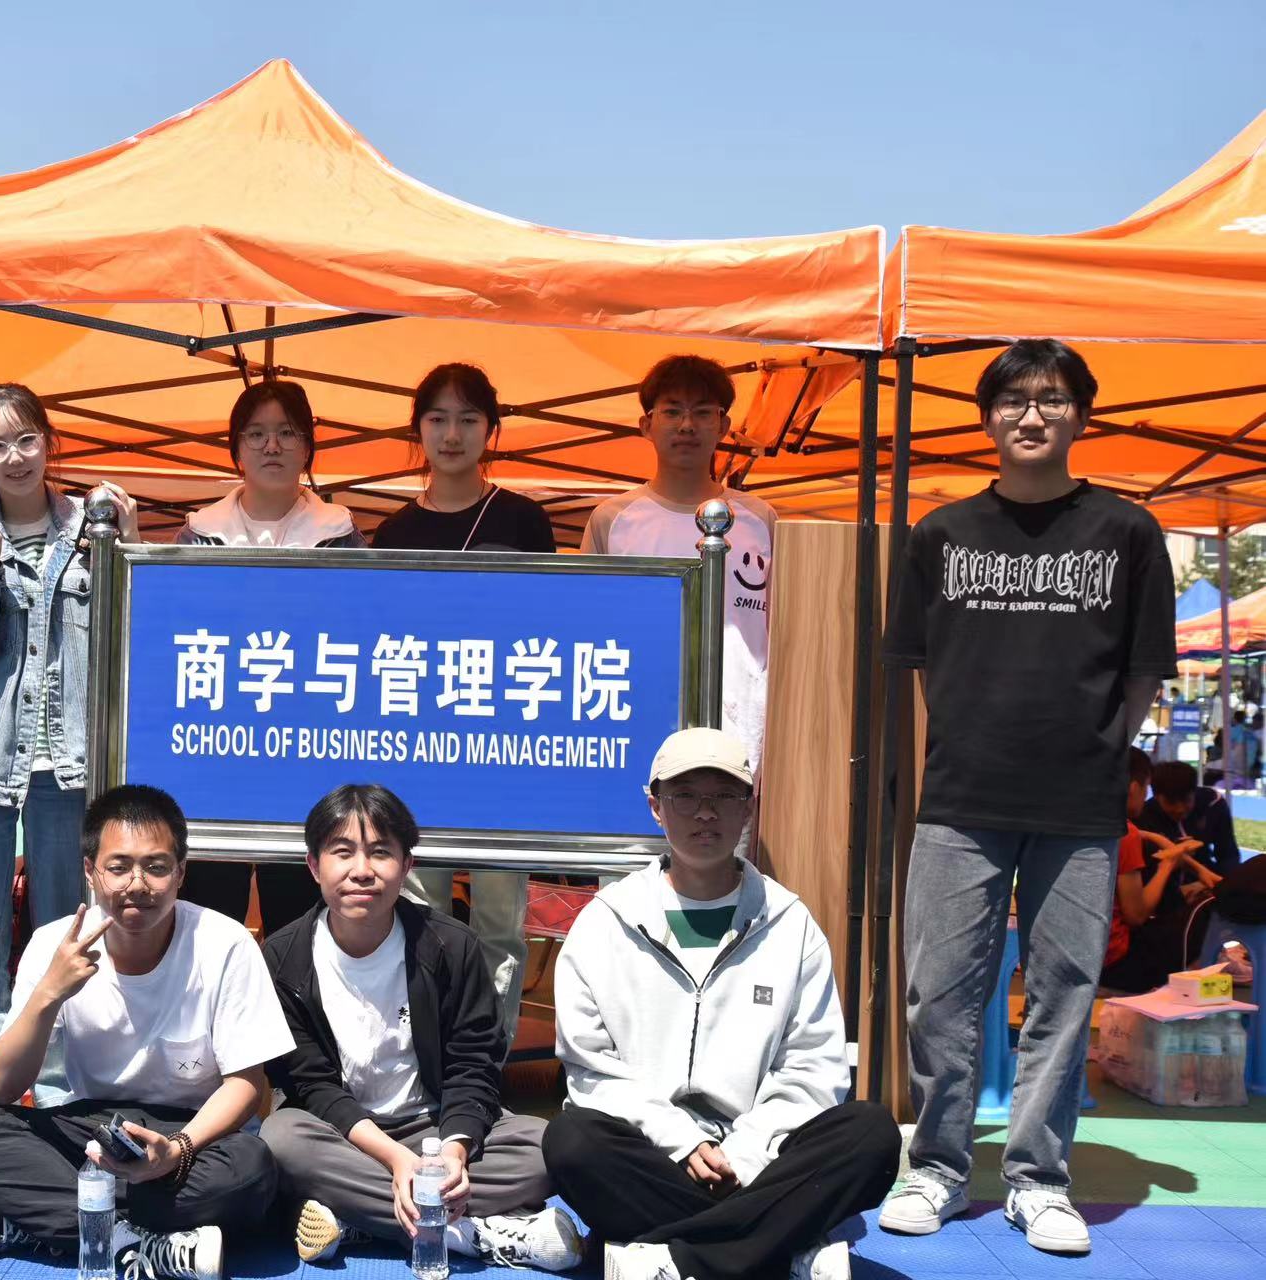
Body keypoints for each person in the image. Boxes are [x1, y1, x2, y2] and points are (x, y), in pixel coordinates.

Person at [878, 340, 1176, 1256]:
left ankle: (1038, 1180)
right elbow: (919, 669)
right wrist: (969, 747)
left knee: (1063, 993)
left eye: (1050, 399)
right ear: (987, 418)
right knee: (939, 992)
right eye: (1012, 400)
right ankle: (935, 1166)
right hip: (959, 796)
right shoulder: (939, 534)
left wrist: (1096, 751)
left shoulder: (1127, 532)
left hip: (1079, 803)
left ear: (1081, 415)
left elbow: (1141, 673)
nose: (1030, 415)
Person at [544, 727, 896, 1280]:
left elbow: (814, 1067)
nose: (705, 812)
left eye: (724, 796)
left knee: (872, 1134)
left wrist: (746, 1152)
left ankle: (678, 1258)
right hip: (653, 1154)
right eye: (685, 796)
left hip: (764, 1157)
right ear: (655, 806)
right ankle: (782, 1244)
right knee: (571, 1141)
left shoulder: (790, 923)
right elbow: (591, 1070)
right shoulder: (606, 921)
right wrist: (682, 1142)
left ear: (748, 806)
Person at [0, 785, 291, 1280]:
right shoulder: (54, 944)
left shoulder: (226, 943)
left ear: (181, 872)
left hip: (194, 1135)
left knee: (253, 1168)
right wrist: (48, 995)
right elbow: (4, 1086)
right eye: (118, 867)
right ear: (90, 870)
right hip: (97, 1132)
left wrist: (176, 1150)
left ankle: (39, 1222)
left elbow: (247, 1085)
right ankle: (136, 1243)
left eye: (156, 867)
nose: (136, 884)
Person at [260, 784, 580, 1270]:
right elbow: (312, 1086)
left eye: (380, 853)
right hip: (343, 1135)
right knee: (280, 1141)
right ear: (313, 866)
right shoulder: (284, 959)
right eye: (342, 852)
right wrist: (395, 1161)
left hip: (434, 1128)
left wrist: (453, 1153)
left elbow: (474, 1065)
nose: (361, 870)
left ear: (407, 865)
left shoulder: (451, 946)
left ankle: (356, 1219)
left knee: (548, 1147)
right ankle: (472, 1233)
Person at [0, 383, 139, 1100]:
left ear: (50, 442)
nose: (14, 457)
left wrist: (131, 546)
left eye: (26, 439)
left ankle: (56, 1091)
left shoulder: (96, 530)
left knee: (66, 936)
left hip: (71, 768)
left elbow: (133, 632)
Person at [369, 363, 555, 1040]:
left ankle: (486, 1062)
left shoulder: (523, 519)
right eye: (438, 419)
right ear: (417, 430)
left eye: (468, 419)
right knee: (420, 913)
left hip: (503, 746)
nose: (452, 434)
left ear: (491, 430)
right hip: (419, 747)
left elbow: (552, 628)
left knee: (501, 920)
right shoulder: (392, 531)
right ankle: (429, 1053)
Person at [177, 379, 363, 934]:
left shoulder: (342, 534)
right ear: (236, 448)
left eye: (287, 433)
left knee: (300, 916)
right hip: (217, 750)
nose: (272, 446)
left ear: (309, 446)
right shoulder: (197, 533)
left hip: (308, 753)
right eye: (256, 434)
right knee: (211, 911)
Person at [580, 355, 777, 776]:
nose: (687, 425)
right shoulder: (612, 519)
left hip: (742, 731)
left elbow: (782, 630)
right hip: (638, 720)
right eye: (672, 412)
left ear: (723, 426)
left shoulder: (761, 519)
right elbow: (589, 629)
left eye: (702, 412)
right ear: (646, 425)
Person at [1103, 749, 1206, 992]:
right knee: (1207, 908)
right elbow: (1136, 915)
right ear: (1134, 788)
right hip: (1115, 963)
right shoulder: (1124, 832)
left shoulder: (1070, 825)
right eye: (1146, 788)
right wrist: (1167, 866)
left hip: (1063, 954)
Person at [1140, 761, 1242, 880]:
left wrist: (1224, 883)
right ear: (1156, 796)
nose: (1180, 809)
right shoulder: (1145, 815)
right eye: (1171, 802)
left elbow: (1228, 853)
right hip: (1166, 885)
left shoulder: (1212, 803)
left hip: (1208, 881)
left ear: (1194, 791)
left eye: (1186, 800)